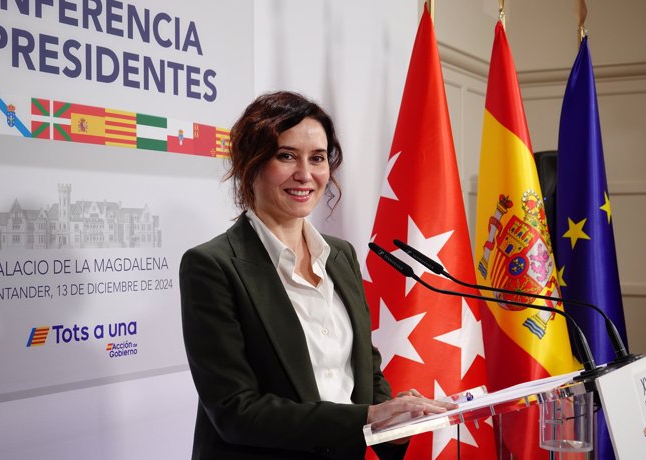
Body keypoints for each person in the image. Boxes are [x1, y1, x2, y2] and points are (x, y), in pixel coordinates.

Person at [179, 91, 456, 460]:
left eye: (318, 158)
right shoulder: (212, 266)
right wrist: (367, 418)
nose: (305, 174)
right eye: (286, 156)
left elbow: (364, 368)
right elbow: (235, 411)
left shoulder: (340, 255)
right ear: (250, 164)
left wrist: (394, 417)